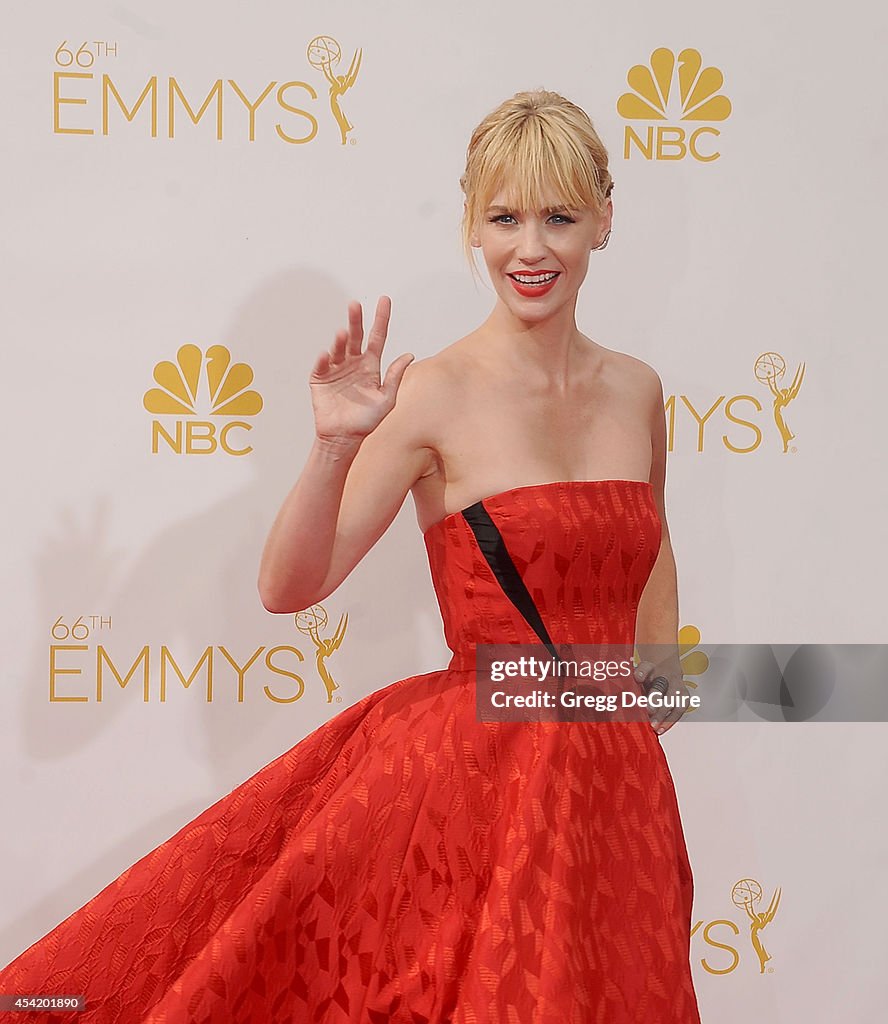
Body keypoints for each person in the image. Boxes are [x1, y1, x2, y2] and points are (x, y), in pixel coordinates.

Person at [0, 89, 700, 1022]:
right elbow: (290, 586)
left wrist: (634, 725)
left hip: (620, 805)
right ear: (473, 228)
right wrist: (334, 445)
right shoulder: (434, 394)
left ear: (604, 221)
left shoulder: (639, 390)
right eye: (504, 218)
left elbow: (651, 566)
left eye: (559, 217)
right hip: (479, 798)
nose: (530, 249)